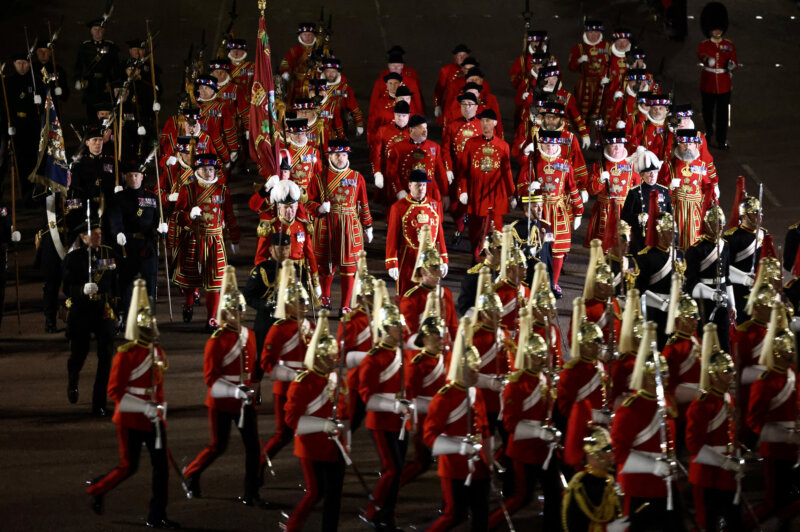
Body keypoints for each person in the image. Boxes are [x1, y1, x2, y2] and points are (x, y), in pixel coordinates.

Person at [86, 280, 178, 529]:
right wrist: (144, 407)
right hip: (130, 418)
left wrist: (159, 408)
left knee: (161, 469)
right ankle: (97, 489)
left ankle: (157, 514)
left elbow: (156, 386)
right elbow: (115, 391)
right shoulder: (126, 354)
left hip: (153, 418)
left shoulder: (156, 351)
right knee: (129, 466)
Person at [182, 267, 262, 505]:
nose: (240, 314)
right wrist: (234, 390)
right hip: (222, 402)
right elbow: (210, 380)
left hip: (244, 401)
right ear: (225, 313)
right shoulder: (216, 342)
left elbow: (251, 369)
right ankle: (191, 473)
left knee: (254, 449)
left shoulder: (250, 334)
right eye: (235, 310)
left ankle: (251, 493)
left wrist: (252, 391)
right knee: (218, 446)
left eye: (241, 309)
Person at [489, 310, 561, 529]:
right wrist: (539, 431)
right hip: (523, 450)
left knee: (555, 494)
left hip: (545, 448)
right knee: (521, 498)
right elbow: (511, 424)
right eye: (539, 355)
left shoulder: (544, 379)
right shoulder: (516, 385)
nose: (544, 358)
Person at [611, 322, 681, 531]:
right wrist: (654, 466)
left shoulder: (665, 402)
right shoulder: (630, 409)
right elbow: (619, 452)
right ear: (651, 377)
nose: (668, 379)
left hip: (664, 484)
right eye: (663, 375)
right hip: (639, 487)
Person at [422, 317, 491, 530]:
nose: (477, 374)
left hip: (478, 463)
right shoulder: (444, 398)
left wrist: (488, 460)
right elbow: (429, 437)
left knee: (481, 516)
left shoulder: (476, 391)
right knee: (455, 515)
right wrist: (460, 446)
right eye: (473, 370)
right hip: (454, 467)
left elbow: (485, 428)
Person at [284, 309, 348, 531]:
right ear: (319, 358)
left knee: (335, 496)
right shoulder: (302, 382)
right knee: (315, 491)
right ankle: (292, 526)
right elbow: (292, 419)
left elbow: (341, 408)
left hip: (334, 444)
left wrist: (341, 433)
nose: (335, 361)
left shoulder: (334, 377)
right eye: (331, 357)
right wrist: (323, 425)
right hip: (311, 446)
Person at [358, 281, 408, 530]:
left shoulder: (402, 352)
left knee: (397, 472)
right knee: (391, 469)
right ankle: (374, 509)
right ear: (386, 329)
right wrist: (395, 403)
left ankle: (389, 512)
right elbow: (368, 396)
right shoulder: (374, 359)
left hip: (400, 420)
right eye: (397, 327)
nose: (402, 331)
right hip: (380, 421)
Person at [171, 153, 241, 330]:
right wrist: (188, 215)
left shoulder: (222, 190)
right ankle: (188, 301)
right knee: (189, 279)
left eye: (211, 169)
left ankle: (211, 318)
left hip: (215, 240)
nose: (209, 173)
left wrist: (235, 238)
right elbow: (176, 216)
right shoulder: (187, 189)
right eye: (204, 169)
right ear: (197, 171)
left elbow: (230, 215)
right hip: (193, 238)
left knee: (214, 283)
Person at [745, 307, 799, 525]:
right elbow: (753, 420)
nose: (791, 356)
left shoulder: (793, 374)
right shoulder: (764, 383)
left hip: (795, 447)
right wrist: (785, 436)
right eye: (787, 353)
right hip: (776, 450)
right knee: (775, 502)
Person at [685, 323, 741, 532]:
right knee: (707, 524)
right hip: (708, 474)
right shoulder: (701, 404)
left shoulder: (728, 399)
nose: (731, 375)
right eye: (727, 371)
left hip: (726, 472)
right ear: (715, 374)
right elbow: (694, 445)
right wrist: (725, 462)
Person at [307, 139, 373, 312]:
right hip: (326, 223)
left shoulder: (357, 177)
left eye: (343, 155)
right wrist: (318, 208)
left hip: (349, 226)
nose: (340, 158)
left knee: (349, 266)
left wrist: (368, 226)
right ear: (330, 156)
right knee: (325, 264)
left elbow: (363, 203)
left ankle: (345, 305)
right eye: (337, 155)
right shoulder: (318, 177)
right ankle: (325, 297)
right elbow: (307, 202)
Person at [62, 218, 119, 415]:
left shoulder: (108, 253)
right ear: (84, 237)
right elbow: (67, 288)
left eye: (100, 233)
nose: (99, 236)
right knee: (80, 353)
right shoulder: (73, 258)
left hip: (103, 309)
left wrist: (116, 309)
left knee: (106, 357)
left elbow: (115, 283)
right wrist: (80, 290)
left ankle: (99, 402)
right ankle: (73, 377)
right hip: (82, 311)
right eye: (94, 234)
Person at [517, 129, 583, 296]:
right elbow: (520, 185)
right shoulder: (533, 162)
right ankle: (535, 282)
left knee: (558, 250)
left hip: (558, 211)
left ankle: (553, 284)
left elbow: (572, 188)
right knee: (536, 248)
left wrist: (579, 211)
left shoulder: (565, 164)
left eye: (552, 145)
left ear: (557, 145)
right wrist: (528, 188)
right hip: (539, 211)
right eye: (546, 145)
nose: (549, 148)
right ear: (541, 145)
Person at [261, 261, 313, 462]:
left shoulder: (311, 325)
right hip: (285, 389)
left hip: (307, 388)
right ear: (290, 303)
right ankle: (259, 467)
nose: (306, 304)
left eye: (306, 300)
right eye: (301, 301)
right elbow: (267, 363)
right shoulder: (279, 329)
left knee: (309, 431)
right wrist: (292, 375)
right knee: (283, 435)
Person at [400, 290, 448, 486]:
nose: (442, 340)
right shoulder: (419, 362)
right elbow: (409, 394)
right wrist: (414, 423)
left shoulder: (445, 357)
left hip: (439, 417)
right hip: (423, 419)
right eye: (437, 336)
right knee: (422, 462)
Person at [109, 159, 168, 315]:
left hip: (147, 245)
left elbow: (158, 219)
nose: (134, 178)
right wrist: (118, 232)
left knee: (150, 282)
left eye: (137, 175)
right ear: (125, 178)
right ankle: (125, 316)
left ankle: (150, 317)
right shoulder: (119, 197)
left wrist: (162, 228)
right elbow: (115, 218)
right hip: (127, 244)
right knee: (125, 283)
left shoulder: (152, 198)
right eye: (130, 176)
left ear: (142, 177)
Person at [456, 109, 514, 260]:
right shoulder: (471, 143)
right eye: (482, 121)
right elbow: (463, 170)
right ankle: (477, 259)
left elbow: (507, 173)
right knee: (475, 231)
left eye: (488, 121)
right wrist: (463, 190)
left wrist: (511, 194)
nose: (484, 124)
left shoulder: (503, 146)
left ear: (495, 123)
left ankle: (495, 263)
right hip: (476, 193)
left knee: (497, 231)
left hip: (496, 194)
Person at [386, 170, 449, 296]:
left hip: (430, 259)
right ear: (410, 186)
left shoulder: (434, 205)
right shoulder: (399, 207)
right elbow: (392, 237)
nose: (421, 188)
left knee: (429, 294)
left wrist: (443, 259)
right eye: (417, 185)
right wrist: (391, 262)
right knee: (407, 294)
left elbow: (439, 235)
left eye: (424, 185)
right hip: (408, 257)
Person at [684, 205, 733, 351]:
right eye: (717, 222)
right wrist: (711, 294)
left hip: (723, 298)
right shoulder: (695, 249)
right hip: (704, 302)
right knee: (705, 342)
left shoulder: (725, 245)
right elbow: (691, 284)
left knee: (724, 341)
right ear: (708, 224)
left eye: (722, 223)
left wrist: (733, 304)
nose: (721, 226)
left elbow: (727, 277)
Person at [658, 129, 717, 250]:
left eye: (690, 144)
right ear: (678, 144)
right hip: (675, 209)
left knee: (694, 242)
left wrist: (712, 203)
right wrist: (669, 187)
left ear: (695, 145)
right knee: (674, 240)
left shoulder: (701, 166)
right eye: (684, 144)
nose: (688, 147)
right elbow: (659, 190)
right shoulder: (669, 166)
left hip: (695, 211)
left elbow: (708, 189)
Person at [562, 424, 626, 531]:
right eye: (606, 450)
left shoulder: (609, 481)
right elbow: (574, 526)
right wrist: (607, 529)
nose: (611, 455)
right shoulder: (580, 486)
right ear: (592, 454)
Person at [585, 131, 641, 248]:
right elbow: (591, 190)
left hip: (625, 209)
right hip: (604, 210)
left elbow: (638, 190)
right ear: (607, 147)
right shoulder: (599, 166)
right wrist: (600, 180)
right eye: (613, 145)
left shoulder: (631, 167)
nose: (617, 148)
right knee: (603, 244)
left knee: (624, 244)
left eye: (620, 145)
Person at [633, 202, 679, 347]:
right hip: (654, 313)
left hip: (673, 313)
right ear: (659, 231)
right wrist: (662, 304)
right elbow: (640, 291)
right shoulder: (646, 257)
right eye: (669, 230)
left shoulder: (678, 255)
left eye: (674, 231)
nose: (673, 234)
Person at [724, 184, 766, 323]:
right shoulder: (732, 237)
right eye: (755, 212)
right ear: (744, 215)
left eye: (760, 212)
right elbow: (725, 268)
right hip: (740, 292)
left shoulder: (764, 233)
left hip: (760, 291)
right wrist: (744, 278)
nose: (760, 216)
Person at [698, 2, 738, 149]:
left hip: (723, 84)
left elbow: (734, 60)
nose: (716, 32)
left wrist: (731, 65)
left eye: (718, 29)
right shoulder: (704, 45)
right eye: (714, 29)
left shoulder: (729, 44)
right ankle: (708, 134)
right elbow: (701, 55)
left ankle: (722, 139)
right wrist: (707, 60)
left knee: (723, 114)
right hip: (708, 82)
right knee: (707, 112)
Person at [384, 114, 448, 205]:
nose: (425, 131)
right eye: (421, 128)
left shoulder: (434, 147)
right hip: (407, 193)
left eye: (426, 128)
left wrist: (445, 194)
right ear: (411, 130)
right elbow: (391, 173)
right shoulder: (397, 148)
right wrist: (399, 191)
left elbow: (441, 173)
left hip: (430, 195)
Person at [243, 233, 290, 354]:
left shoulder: (297, 271)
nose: (284, 252)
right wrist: (265, 305)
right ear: (271, 249)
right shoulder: (261, 270)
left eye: (287, 248)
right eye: (280, 249)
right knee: (260, 357)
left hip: (289, 320)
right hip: (266, 319)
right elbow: (248, 296)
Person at [3, 52, 40, 201]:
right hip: (16, 126)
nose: (22, 66)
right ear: (14, 64)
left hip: (32, 125)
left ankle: (35, 191)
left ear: (29, 64)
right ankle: (25, 193)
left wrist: (41, 98)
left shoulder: (35, 81)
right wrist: (7, 123)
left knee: (33, 160)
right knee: (21, 160)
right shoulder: (8, 82)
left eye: (25, 63)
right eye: (19, 63)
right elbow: (4, 105)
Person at [621, 148, 672, 253]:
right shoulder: (634, 193)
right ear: (642, 175)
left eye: (655, 172)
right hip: (641, 238)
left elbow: (670, 215)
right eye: (649, 172)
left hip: (660, 238)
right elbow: (625, 217)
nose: (652, 175)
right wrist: (638, 217)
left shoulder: (664, 191)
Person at [74, 19, 119, 119]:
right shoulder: (85, 46)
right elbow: (79, 64)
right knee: (91, 110)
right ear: (91, 31)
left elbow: (116, 67)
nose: (98, 31)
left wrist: (116, 84)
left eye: (100, 29)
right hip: (91, 83)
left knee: (107, 109)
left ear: (104, 31)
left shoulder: (110, 46)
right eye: (95, 29)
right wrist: (78, 79)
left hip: (106, 83)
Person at [370, 100, 410, 207]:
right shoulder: (383, 130)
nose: (401, 118)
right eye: (398, 115)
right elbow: (376, 153)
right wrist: (377, 172)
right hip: (389, 174)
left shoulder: (414, 130)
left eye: (403, 115)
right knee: (391, 204)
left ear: (408, 116)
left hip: (408, 174)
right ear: (394, 115)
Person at [568, 19, 610, 120]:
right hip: (585, 84)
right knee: (582, 110)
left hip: (602, 84)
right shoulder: (579, 48)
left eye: (596, 32)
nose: (593, 35)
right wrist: (579, 60)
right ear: (585, 32)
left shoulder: (607, 47)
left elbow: (613, 65)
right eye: (590, 32)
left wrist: (608, 77)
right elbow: (571, 67)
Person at [279, 22, 318, 104]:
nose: (307, 37)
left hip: (316, 83)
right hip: (297, 83)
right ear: (300, 36)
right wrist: (286, 73)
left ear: (314, 36)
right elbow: (284, 64)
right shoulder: (293, 51)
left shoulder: (319, 51)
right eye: (305, 35)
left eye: (310, 35)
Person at [433, 44, 471, 123]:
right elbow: (438, 90)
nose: (462, 58)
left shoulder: (473, 69)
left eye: (464, 55)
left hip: (469, 108)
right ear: (455, 57)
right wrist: (437, 105)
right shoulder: (446, 70)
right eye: (459, 55)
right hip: (451, 108)